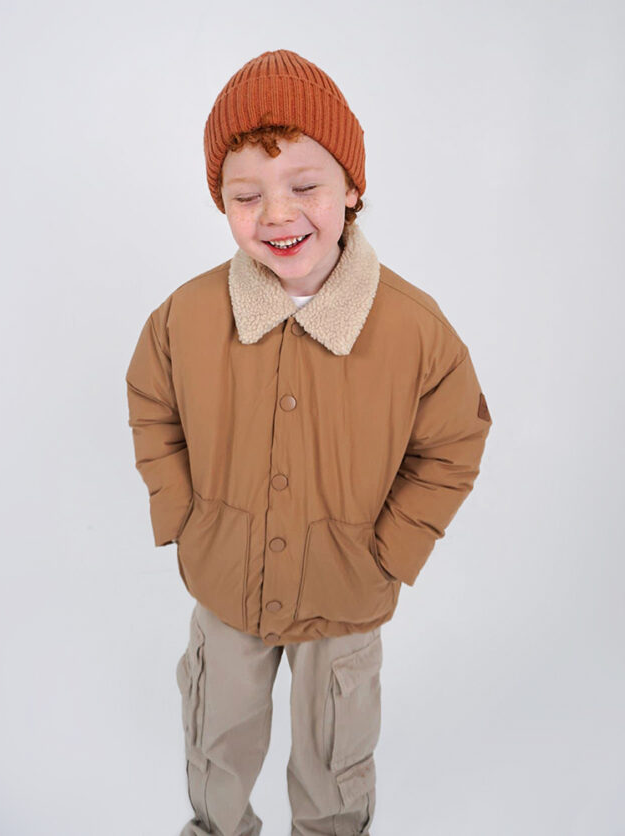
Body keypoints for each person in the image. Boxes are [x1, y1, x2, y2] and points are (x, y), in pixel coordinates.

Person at [125, 48, 492, 836]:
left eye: (305, 186)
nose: (277, 215)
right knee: (216, 739)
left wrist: (392, 551)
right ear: (221, 201)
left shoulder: (413, 328)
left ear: (352, 187)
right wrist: (183, 515)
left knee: (336, 754)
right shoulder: (186, 318)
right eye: (246, 195)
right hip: (226, 582)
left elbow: (454, 440)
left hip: (347, 589)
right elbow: (152, 403)